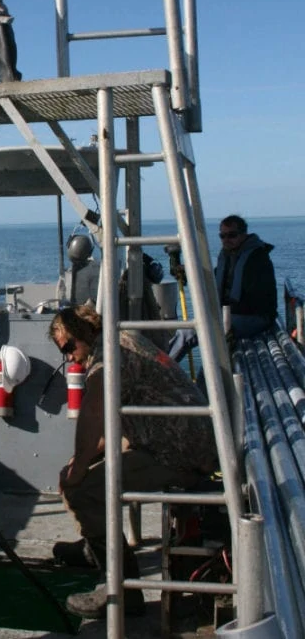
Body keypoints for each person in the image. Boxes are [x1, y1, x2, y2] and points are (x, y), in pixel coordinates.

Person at [48, 304, 218, 620]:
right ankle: (94, 546)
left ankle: (120, 589)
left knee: (83, 490)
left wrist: (78, 467)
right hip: (179, 440)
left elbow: (92, 417)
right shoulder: (124, 340)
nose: (70, 356)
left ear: (85, 333)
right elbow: (110, 430)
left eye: (70, 347)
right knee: (80, 473)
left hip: (178, 452)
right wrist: (80, 461)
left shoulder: (107, 360)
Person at [168, 215, 278, 363]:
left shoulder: (257, 259)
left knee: (189, 332)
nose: (226, 239)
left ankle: (158, 370)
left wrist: (221, 318)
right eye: (222, 236)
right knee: (188, 330)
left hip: (255, 318)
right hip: (230, 315)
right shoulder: (229, 256)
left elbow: (258, 300)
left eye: (231, 235)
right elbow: (214, 278)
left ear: (244, 234)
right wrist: (188, 273)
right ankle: (163, 368)